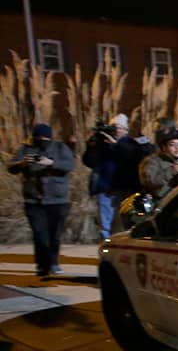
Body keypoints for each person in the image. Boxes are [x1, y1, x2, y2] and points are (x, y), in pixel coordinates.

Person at [6, 124, 76, 275]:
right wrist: (21, 163)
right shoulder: (26, 149)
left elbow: (70, 164)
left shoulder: (60, 148)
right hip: (34, 200)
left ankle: (53, 263)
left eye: (44, 138)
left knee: (54, 235)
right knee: (39, 234)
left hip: (58, 201)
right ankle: (42, 265)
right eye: (38, 138)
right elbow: (10, 166)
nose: (41, 140)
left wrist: (51, 163)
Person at [83, 113, 146, 239]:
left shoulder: (131, 143)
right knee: (104, 224)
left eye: (119, 128)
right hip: (105, 189)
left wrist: (116, 145)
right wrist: (92, 145)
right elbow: (89, 161)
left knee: (125, 220)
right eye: (113, 127)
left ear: (125, 130)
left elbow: (133, 156)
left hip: (125, 189)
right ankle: (105, 245)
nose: (116, 130)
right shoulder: (102, 144)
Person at [140, 128, 178, 202]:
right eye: (172, 145)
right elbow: (151, 182)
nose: (177, 148)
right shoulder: (153, 161)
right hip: (160, 203)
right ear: (164, 147)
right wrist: (171, 171)